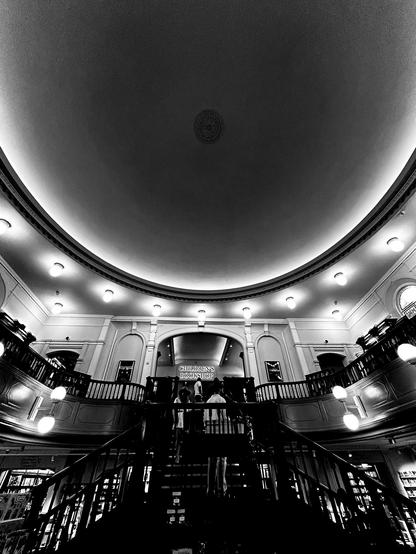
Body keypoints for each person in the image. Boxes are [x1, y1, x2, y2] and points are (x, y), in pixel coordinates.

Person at [204, 381, 227, 496]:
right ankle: (221, 488)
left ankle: (210, 488)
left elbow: (204, 420)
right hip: (220, 431)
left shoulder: (208, 401)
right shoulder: (222, 400)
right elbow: (223, 417)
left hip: (209, 431)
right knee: (222, 459)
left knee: (211, 460)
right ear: (219, 389)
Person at [173, 388, 190, 463]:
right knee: (178, 440)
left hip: (185, 420)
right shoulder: (177, 400)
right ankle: (177, 456)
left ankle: (182, 456)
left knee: (183, 440)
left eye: (185, 393)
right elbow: (173, 410)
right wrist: (174, 420)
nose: (184, 394)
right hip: (179, 420)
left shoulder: (187, 401)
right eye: (183, 392)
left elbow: (189, 412)